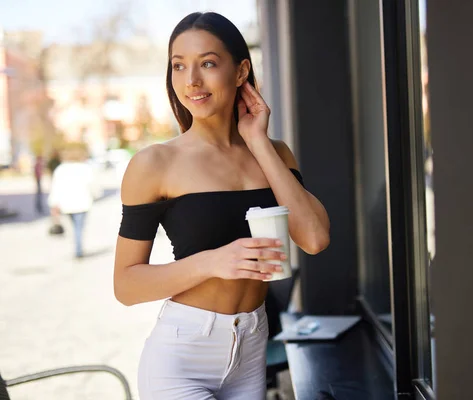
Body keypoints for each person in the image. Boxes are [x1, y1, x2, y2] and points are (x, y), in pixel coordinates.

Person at [113, 12, 330, 400]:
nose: (191, 80)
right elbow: (126, 285)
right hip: (182, 357)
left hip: (251, 350)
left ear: (241, 70)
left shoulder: (274, 153)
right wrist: (213, 262)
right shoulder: (154, 164)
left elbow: (313, 238)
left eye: (208, 63)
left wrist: (260, 143)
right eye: (179, 66)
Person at [48, 146, 96, 258]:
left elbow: (56, 188)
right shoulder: (84, 168)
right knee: (79, 226)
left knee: (75, 226)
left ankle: (77, 247)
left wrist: (54, 203)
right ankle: (79, 249)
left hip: (67, 204)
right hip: (83, 203)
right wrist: (95, 196)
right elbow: (92, 185)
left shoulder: (61, 169)